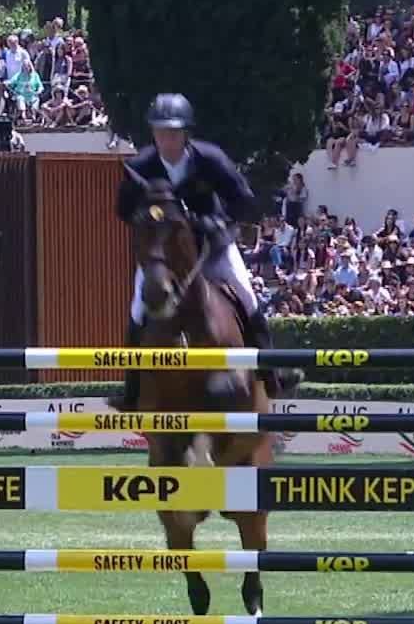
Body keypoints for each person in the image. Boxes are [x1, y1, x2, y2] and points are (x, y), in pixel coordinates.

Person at [113, 93, 301, 410]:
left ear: (186, 133)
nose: (166, 140)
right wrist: (147, 220)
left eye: (173, 133)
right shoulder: (141, 166)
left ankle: (272, 374)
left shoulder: (209, 160)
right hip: (165, 255)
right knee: (137, 309)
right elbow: (123, 210)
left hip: (213, 246)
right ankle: (131, 390)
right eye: (160, 132)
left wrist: (218, 221)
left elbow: (243, 199)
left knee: (246, 294)